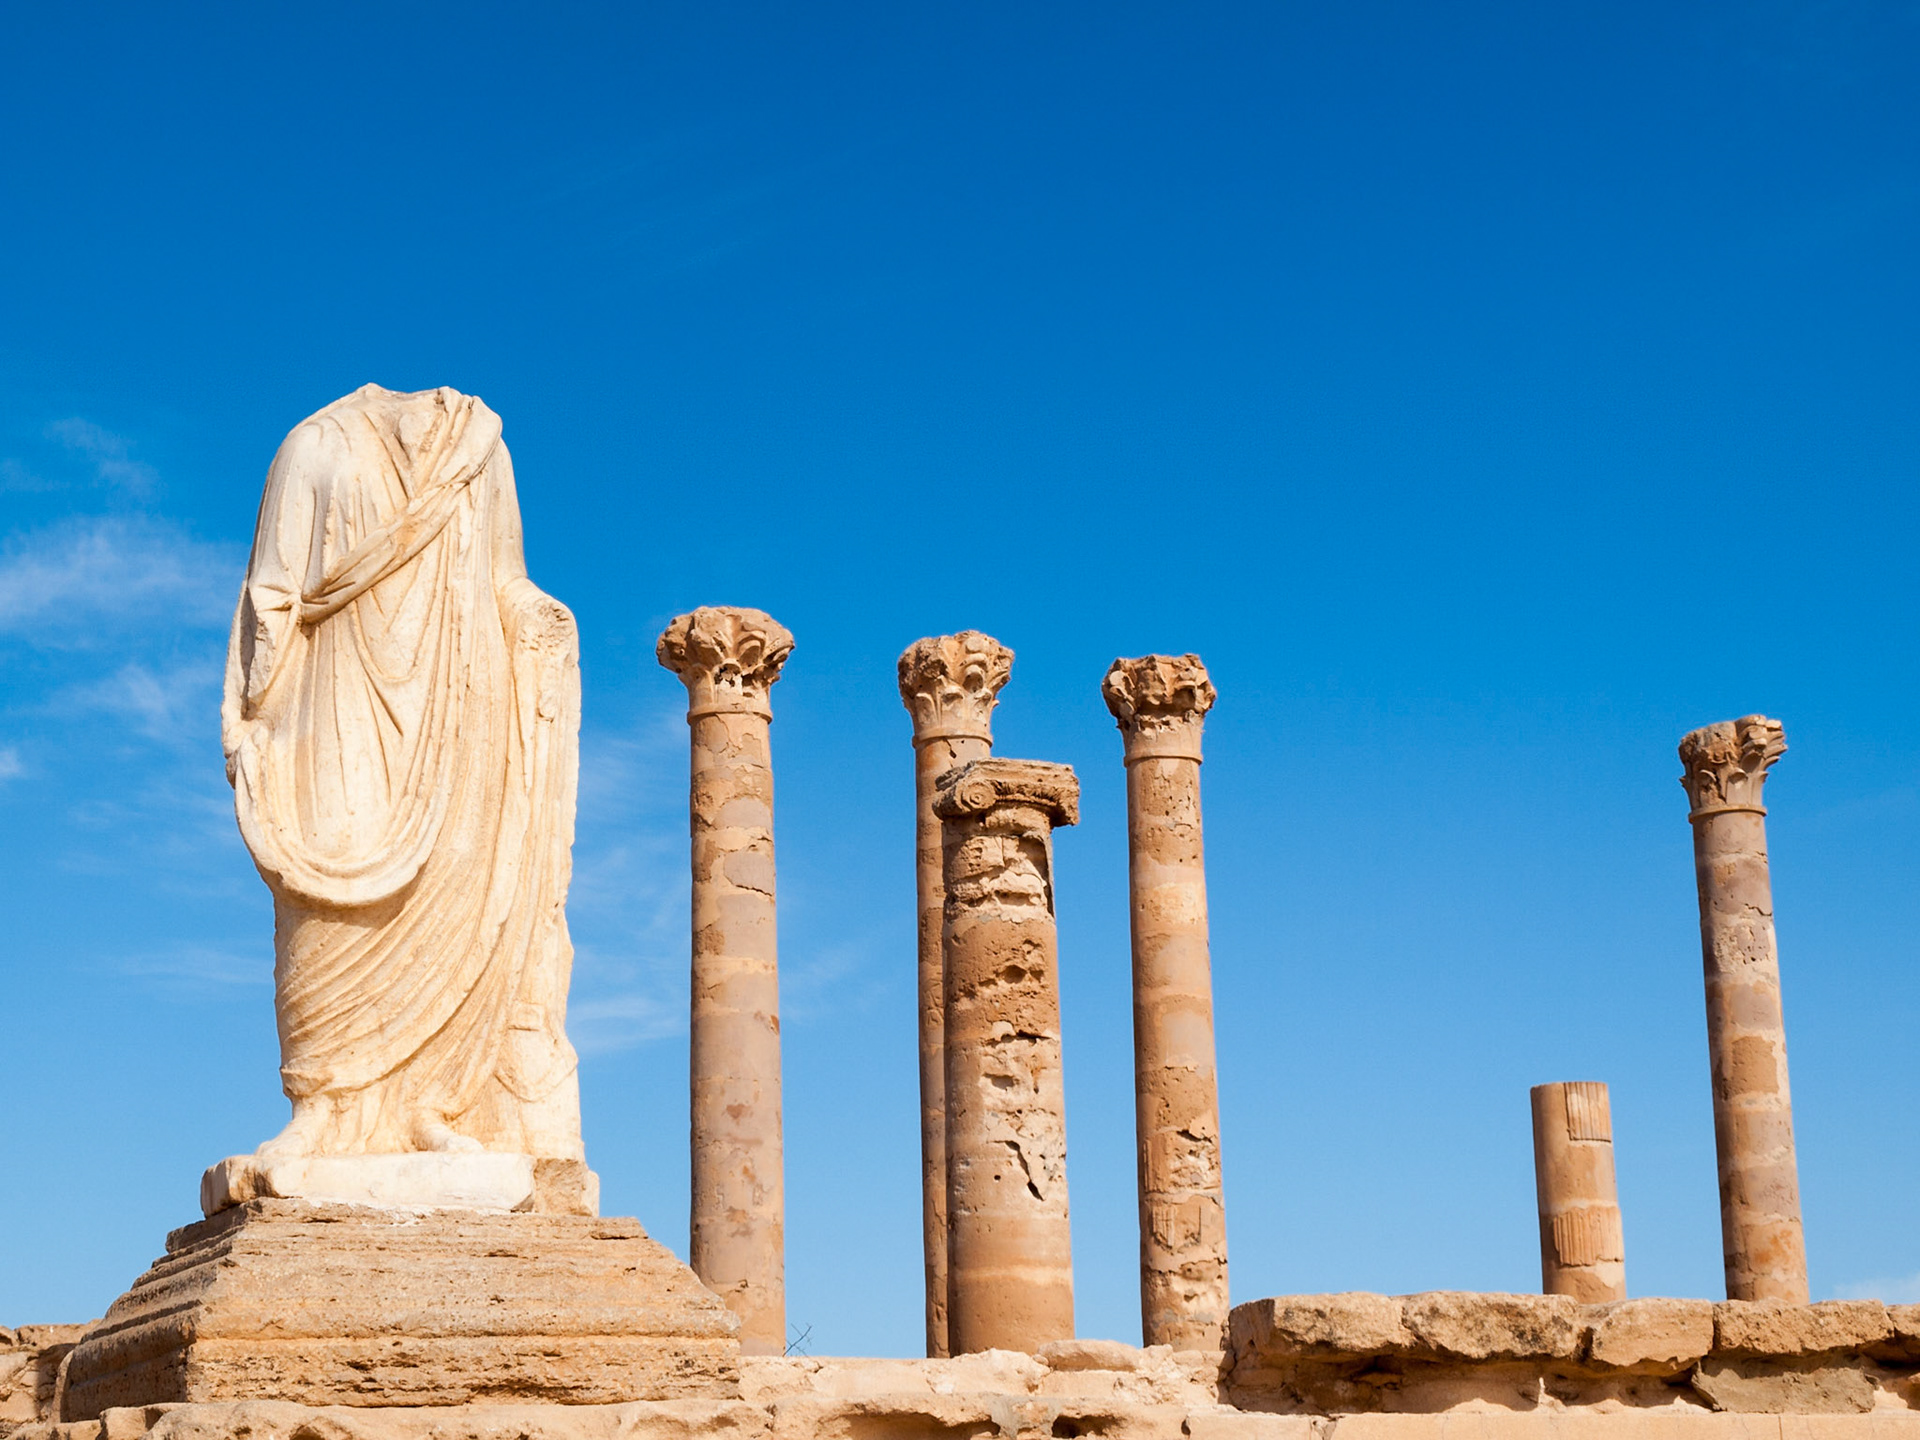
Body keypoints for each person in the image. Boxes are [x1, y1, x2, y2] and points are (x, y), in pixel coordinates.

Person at [221, 384, 584, 1161]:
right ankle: (323, 1104)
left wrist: (543, 624)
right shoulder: (313, 444)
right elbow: (271, 596)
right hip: (334, 697)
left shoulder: (480, 448)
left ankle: (433, 1104)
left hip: (462, 709)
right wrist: (256, 721)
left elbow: (506, 578)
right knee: (325, 882)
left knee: (461, 889)